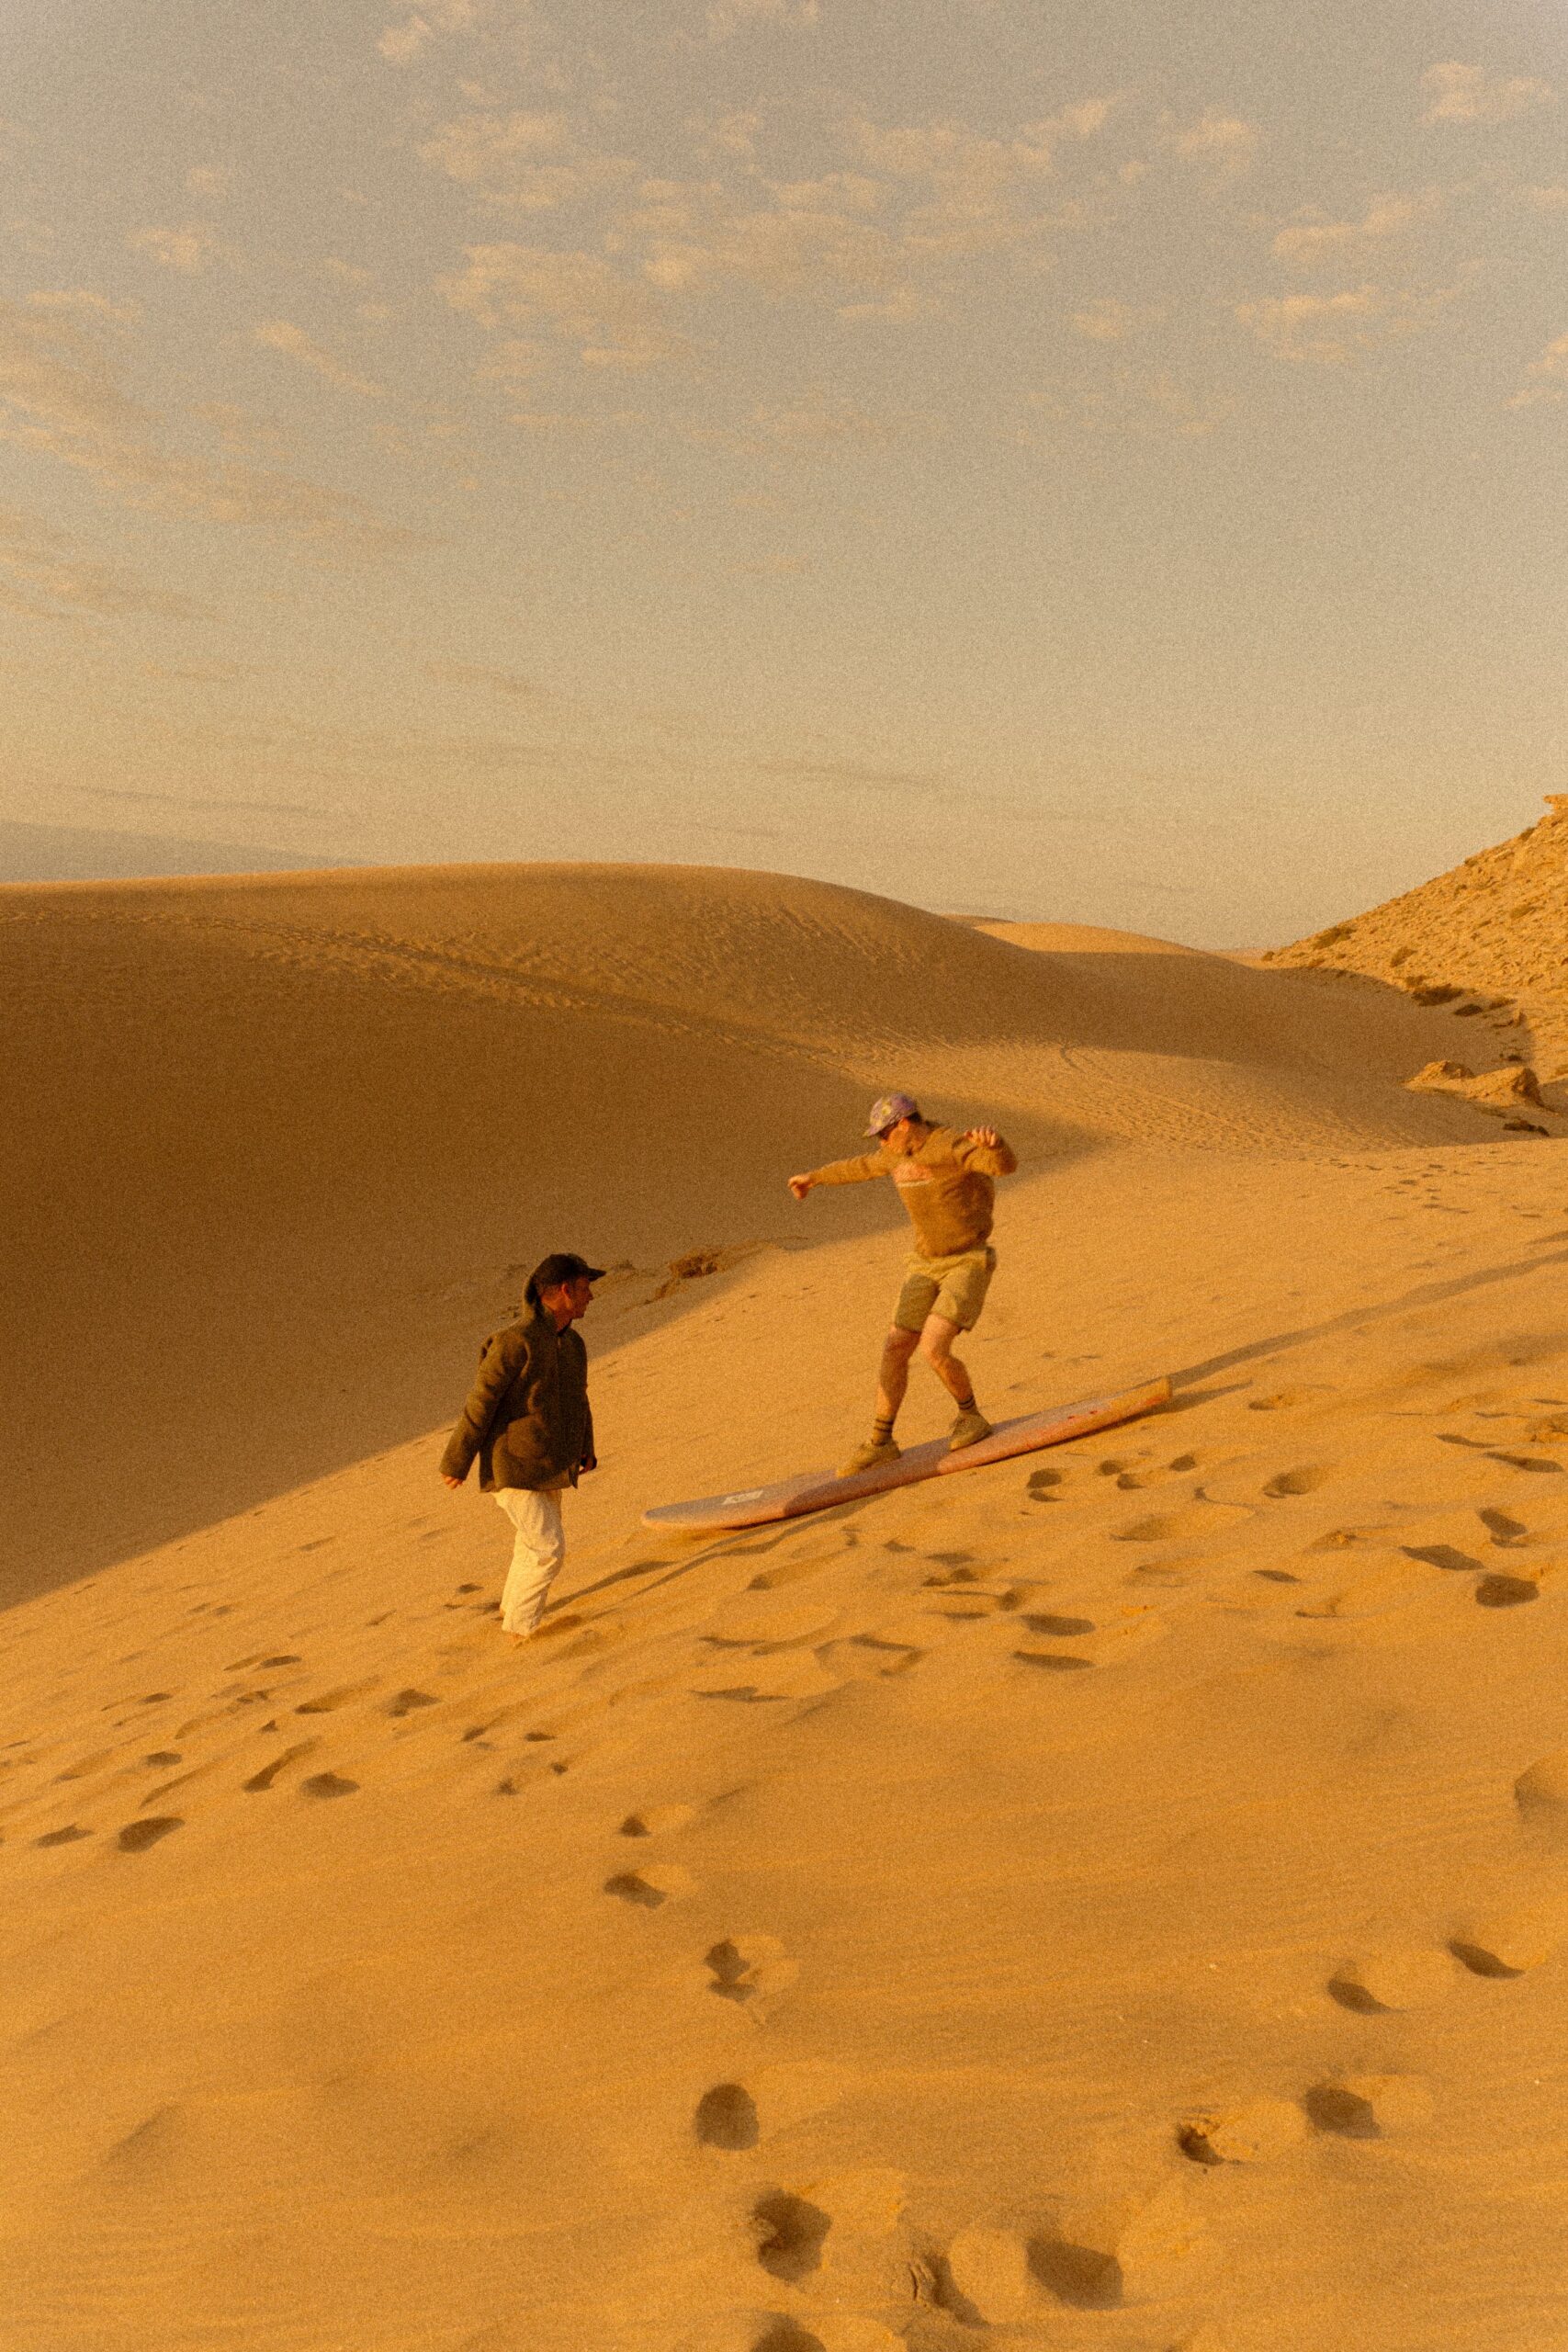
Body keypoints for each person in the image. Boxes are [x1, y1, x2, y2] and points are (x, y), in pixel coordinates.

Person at [789, 1093, 1018, 1476]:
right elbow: (860, 1167)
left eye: (884, 1133)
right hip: (924, 1263)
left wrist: (997, 1146)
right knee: (896, 1346)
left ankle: (971, 1417)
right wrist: (814, 1178)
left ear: (905, 1124)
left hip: (967, 1260)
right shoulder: (894, 1154)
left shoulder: (949, 1145)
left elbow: (1001, 1166)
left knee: (934, 1347)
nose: (881, 1142)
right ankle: (881, 1442)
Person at [439, 1251, 604, 1641]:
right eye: (584, 1288)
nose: (590, 1297)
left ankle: (509, 1610)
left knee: (532, 1545)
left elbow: (578, 1398)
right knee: (548, 1548)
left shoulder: (573, 1344)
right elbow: (481, 1402)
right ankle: (520, 1630)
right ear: (564, 1291)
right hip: (513, 1463)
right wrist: (457, 1462)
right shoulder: (514, 1342)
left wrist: (585, 1446)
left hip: (551, 1463)